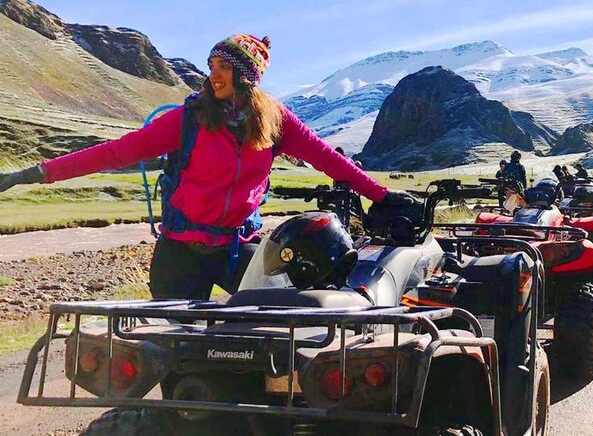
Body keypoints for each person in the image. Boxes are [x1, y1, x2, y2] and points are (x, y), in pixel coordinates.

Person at [0, 34, 419, 300]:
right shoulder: (189, 118)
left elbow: (328, 159)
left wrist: (382, 195)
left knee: (267, 336)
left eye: (223, 69)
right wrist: (33, 174)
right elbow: (115, 152)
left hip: (238, 250)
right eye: (212, 67)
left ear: (246, 76)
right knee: (175, 353)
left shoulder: (275, 121)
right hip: (180, 250)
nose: (213, 76)